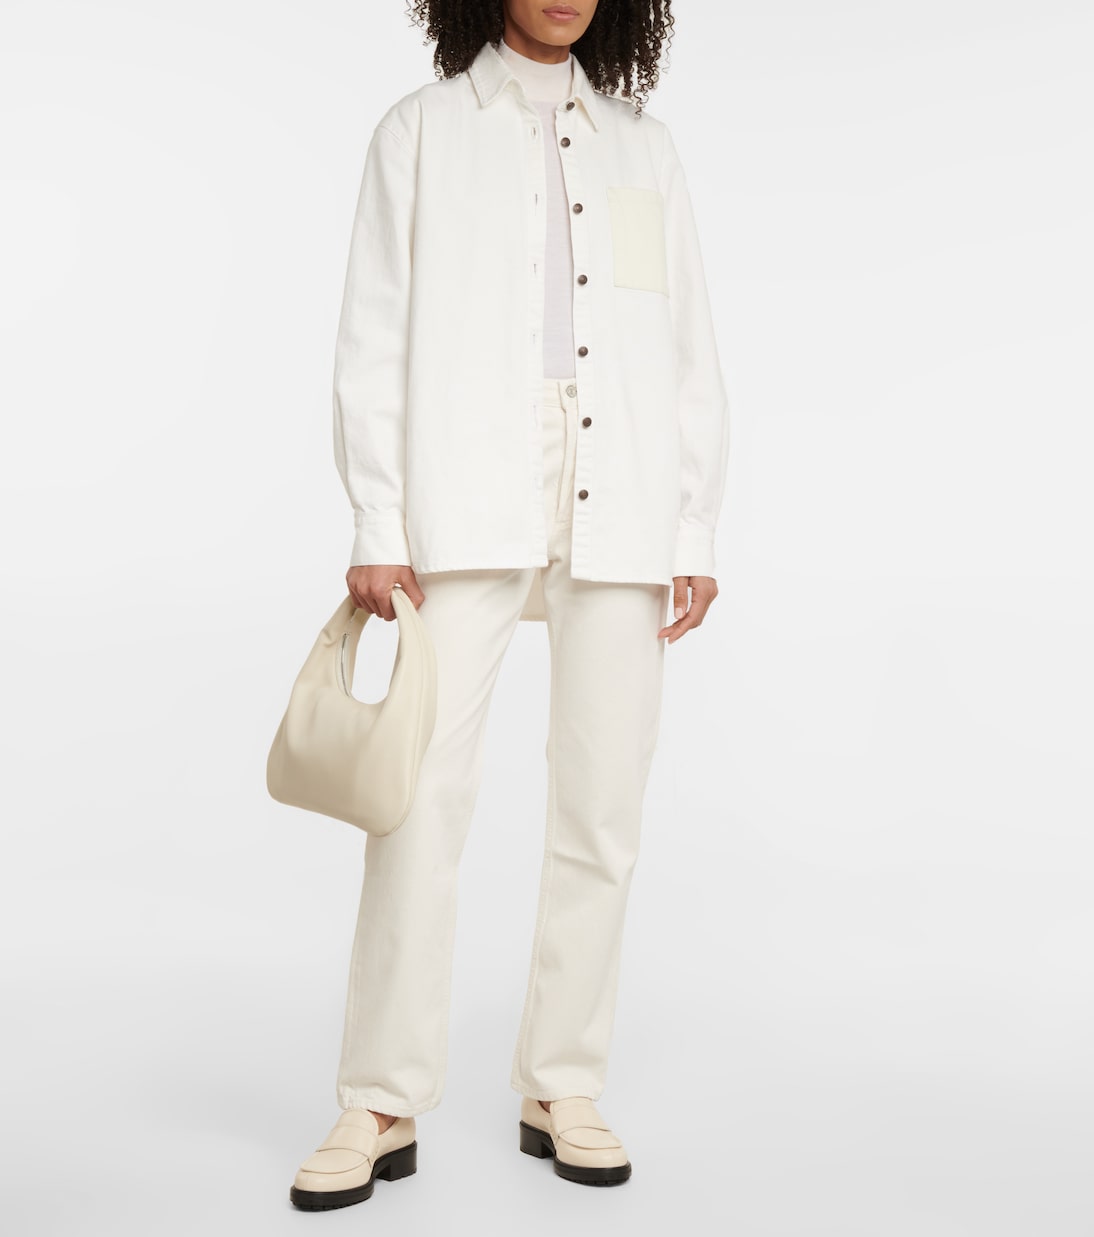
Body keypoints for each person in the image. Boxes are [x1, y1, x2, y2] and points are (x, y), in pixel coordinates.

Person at [289, 0, 729, 1209]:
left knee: (602, 803)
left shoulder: (642, 145)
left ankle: (561, 1080)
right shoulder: (419, 131)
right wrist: (378, 520)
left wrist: (691, 523)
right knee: (417, 797)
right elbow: (370, 336)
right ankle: (379, 1097)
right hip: (463, 478)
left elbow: (685, 343)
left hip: (621, 483)